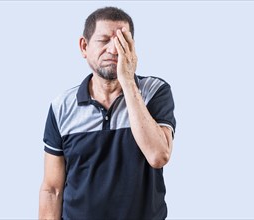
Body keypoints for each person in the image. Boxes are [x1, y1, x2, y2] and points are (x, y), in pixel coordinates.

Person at [39, 6, 176, 220]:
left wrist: (128, 81)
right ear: (84, 47)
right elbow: (52, 190)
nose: (114, 50)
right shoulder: (62, 107)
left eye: (122, 42)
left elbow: (158, 156)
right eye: (104, 41)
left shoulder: (154, 92)